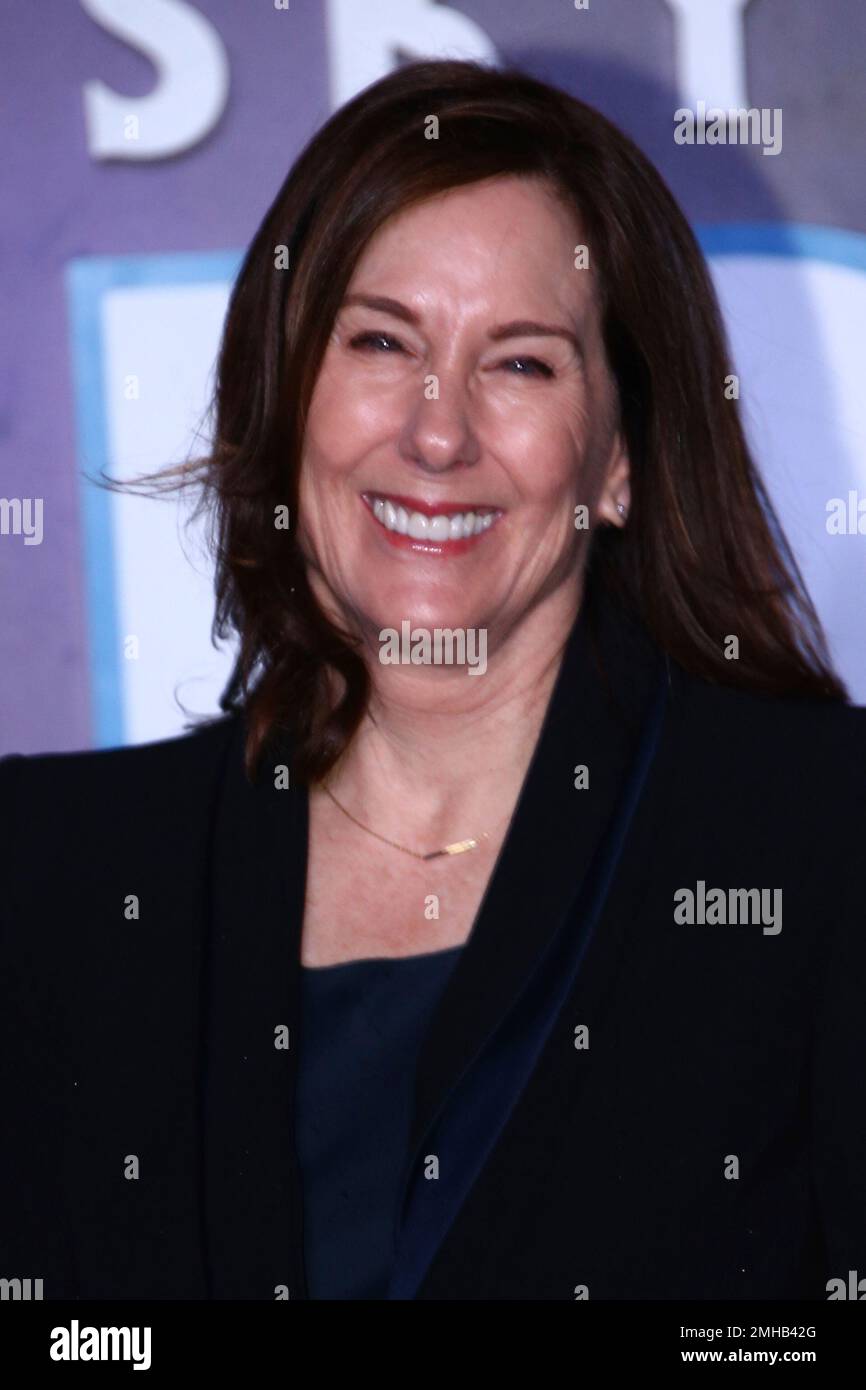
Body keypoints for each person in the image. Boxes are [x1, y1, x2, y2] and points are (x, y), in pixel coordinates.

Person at [1, 58, 864, 1302]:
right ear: (286, 393)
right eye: (380, 341)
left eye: (519, 363)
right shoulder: (56, 874)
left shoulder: (815, 842)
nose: (437, 430)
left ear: (616, 459)